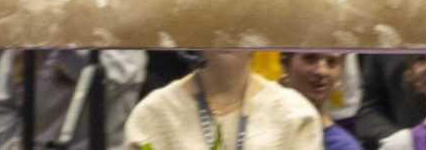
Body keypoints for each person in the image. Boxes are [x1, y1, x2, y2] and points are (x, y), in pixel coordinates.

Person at [128, 48, 324, 150]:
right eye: (215, 14)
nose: (228, 30)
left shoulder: (295, 113)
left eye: (240, 15)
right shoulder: (154, 113)